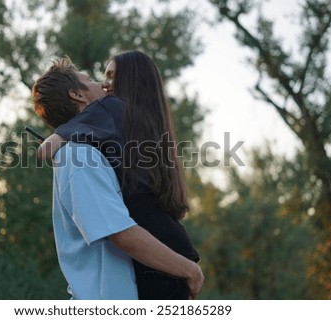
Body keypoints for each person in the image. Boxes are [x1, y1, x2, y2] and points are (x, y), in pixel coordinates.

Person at [32, 57, 204, 300]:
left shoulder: (91, 145)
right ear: (77, 95)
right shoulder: (79, 154)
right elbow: (120, 233)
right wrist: (189, 271)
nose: (103, 85)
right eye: (90, 80)